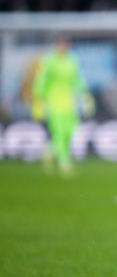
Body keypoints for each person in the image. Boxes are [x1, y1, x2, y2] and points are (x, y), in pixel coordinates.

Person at [32, 36, 94, 176]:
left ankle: (49, 150)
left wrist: (84, 95)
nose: (63, 47)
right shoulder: (49, 61)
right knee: (59, 132)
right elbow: (41, 79)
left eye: (66, 45)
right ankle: (64, 163)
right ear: (56, 45)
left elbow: (77, 79)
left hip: (69, 102)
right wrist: (39, 99)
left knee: (69, 131)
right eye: (61, 44)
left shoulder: (72, 60)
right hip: (53, 102)